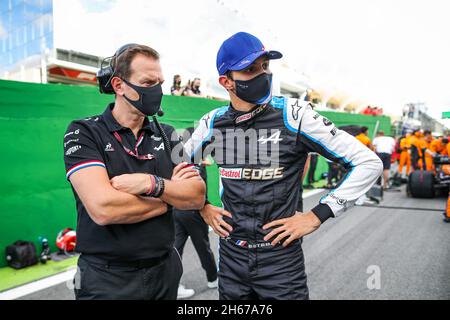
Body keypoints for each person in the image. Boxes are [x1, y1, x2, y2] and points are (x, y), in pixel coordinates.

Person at [183, 32, 383, 300]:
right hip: (231, 257)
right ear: (226, 82)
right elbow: (181, 164)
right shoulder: (213, 121)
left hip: (280, 260)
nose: (262, 74)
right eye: (250, 69)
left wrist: (317, 215)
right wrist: (202, 207)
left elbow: (369, 162)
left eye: (265, 66)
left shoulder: (295, 115)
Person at [63, 44, 206, 300]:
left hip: (164, 271)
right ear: (118, 85)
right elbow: (104, 208)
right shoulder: (85, 132)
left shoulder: (168, 133)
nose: (157, 90)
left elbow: (195, 196)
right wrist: (170, 200)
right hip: (107, 279)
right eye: (148, 82)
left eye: (159, 82)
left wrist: (151, 184)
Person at [175, 128, 218, 299]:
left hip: (176, 211)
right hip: (192, 211)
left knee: (175, 249)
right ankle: (213, 278)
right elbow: (195, 192)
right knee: (203, 247)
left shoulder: (181, 159)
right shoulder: (193, 162)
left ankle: (173, 284)